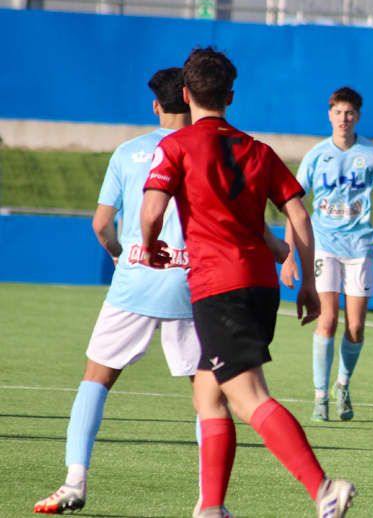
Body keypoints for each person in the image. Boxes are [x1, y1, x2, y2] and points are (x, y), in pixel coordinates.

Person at [141, 47, 354, 518]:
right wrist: (308, 283)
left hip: (219, 288)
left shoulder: (175, 146)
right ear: (230, 96)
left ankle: (324, 489)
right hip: (259, 284)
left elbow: (152, 210)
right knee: (207, 392)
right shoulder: (260, 150)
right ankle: (211, 507)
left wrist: (150, 242)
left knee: (247, 395)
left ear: (184, 94)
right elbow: (298, 213)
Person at [33, 68, 201, 515]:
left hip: (135, 281)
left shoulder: (128, 153)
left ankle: (74, 480)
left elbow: (102, 225)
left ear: (156, 106)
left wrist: (120, 256)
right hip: (191, 284)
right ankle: (209, 500)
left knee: (97, 378)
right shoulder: (205, 150)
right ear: (192, 98)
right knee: (207, 392)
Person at [281, 86, 373, 423]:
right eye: (338, 112)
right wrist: (290, 254)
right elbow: (295, 205)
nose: (344, 118)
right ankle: (320, 397)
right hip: (325, 244)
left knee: (357, 326)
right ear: (329, 114)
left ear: (357, 116)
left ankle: (342, 386)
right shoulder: (317, 155)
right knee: (328, 318)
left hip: (360, 247)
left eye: (350, 113)